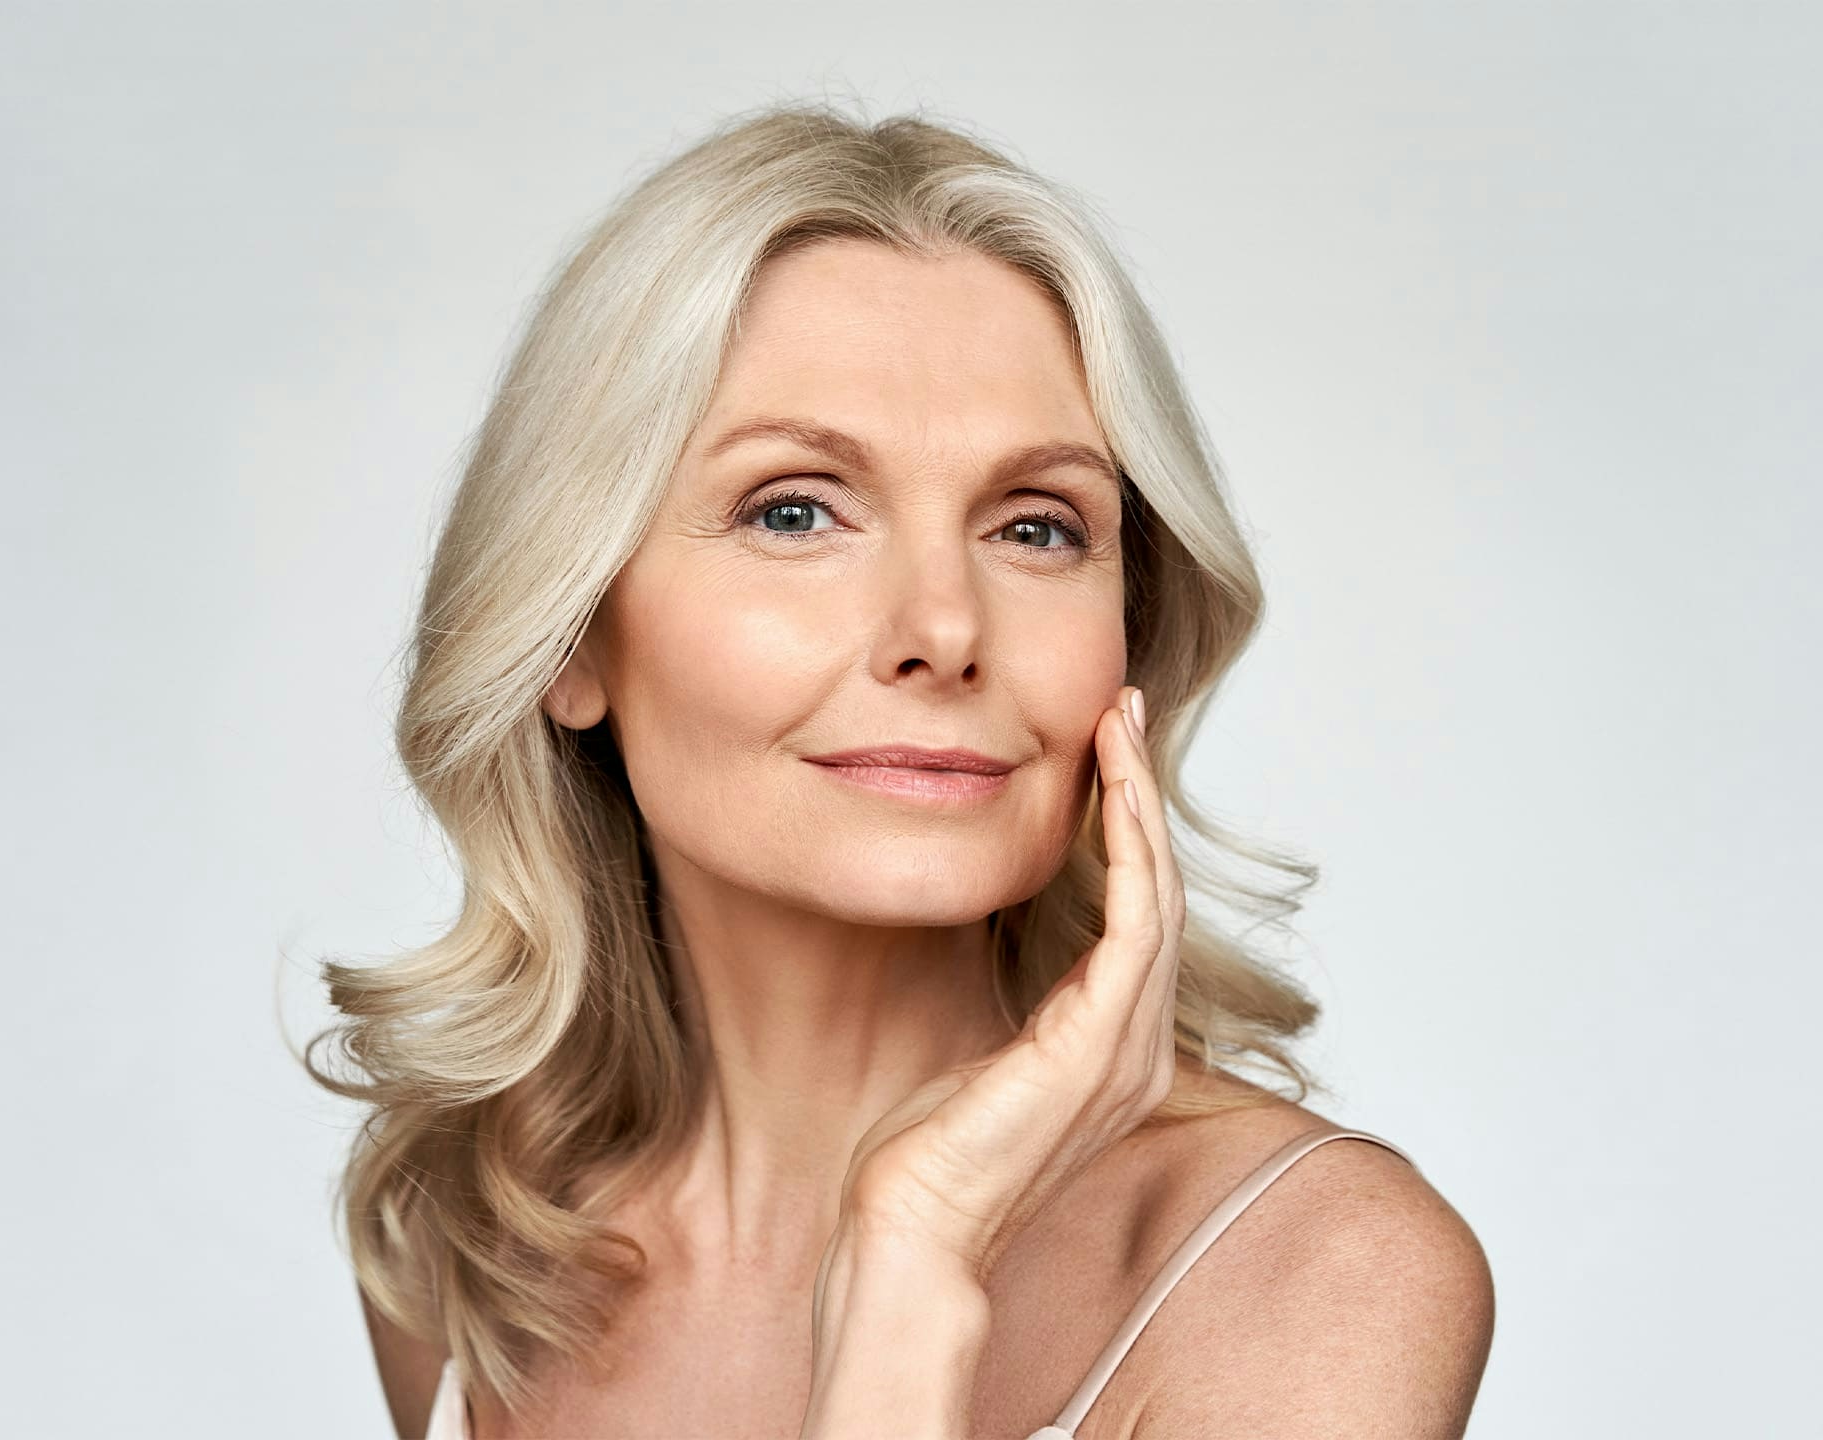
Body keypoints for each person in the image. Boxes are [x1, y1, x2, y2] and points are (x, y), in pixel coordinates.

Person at [302, 99, 1494, 1439]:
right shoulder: (462, 1243)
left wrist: (912, 1266)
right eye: (795, 509)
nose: (943, 628)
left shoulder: (1313, 1272)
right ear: (572, 630)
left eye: (1037, 528)